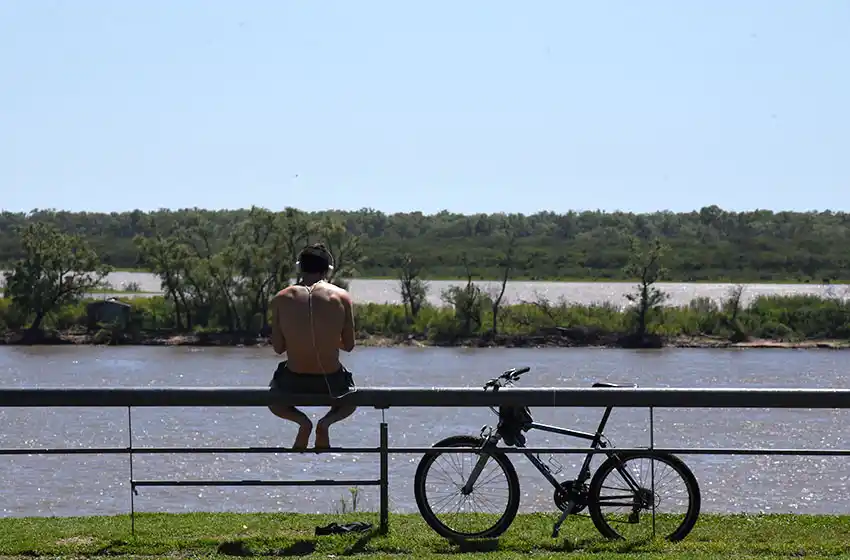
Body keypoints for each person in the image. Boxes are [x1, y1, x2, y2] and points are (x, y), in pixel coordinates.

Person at [268, 243, 357, 450]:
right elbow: (350, 346)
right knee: (351, 401)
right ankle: (325, 423)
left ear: (299, 267)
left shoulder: (281, 298)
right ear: (328, 269)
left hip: (293, 381)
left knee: (273, 400)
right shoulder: (342, 297)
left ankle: (302, 422)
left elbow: (278, 348)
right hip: (331, 382)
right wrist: (327, 337)